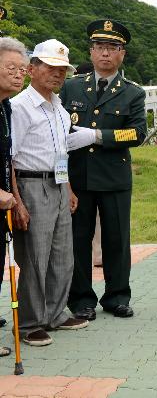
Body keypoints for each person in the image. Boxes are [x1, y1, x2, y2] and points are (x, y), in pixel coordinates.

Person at [59, 19, 147, 321]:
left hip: (114, 177)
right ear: (91, 51)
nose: (105, 54)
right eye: (100, 47)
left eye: (112, 48)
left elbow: (137, 134)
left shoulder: (132, 93)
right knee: (78, 239)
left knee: (116, 239)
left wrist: (97, 136)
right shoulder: (70, 87)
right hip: (79, 175)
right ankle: (81, 299)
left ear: (122, 54)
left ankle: (117, 296)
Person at [10, 39, 91, 347]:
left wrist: (67, 187)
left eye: (63, 70)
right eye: (51, 68)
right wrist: (17, 201)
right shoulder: (19, 107)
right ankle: (31, 323)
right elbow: (11, 159)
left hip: (57, 185)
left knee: (61, 255)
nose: (58, 75)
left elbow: (60, 151)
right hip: (30, 185)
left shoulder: (59, 107)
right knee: (34, 257)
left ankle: (55, 314)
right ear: (32, 69)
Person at [0, 37, 29, 354]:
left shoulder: (6, 107)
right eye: (11, 67)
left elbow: (8, 159)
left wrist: (14, 197)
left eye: (22, 68)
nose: (19, 74)